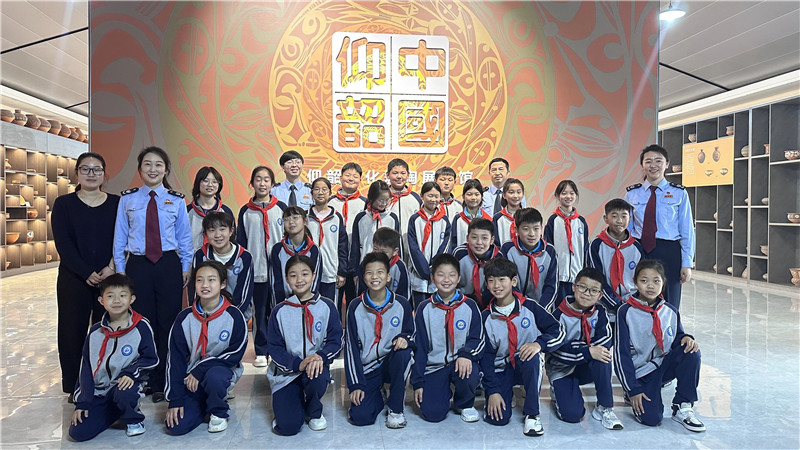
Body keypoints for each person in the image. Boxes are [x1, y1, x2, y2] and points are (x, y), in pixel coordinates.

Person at [113, 146, 193, 403]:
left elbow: (184, 238)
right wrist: (121, 272)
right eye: (147, 164)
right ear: (140, 169)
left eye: (158, 165)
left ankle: (164, 379)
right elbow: (119, 239)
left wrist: (185, 267)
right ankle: (144, 376)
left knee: (168, 322)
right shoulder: (127, 200)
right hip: (138, 265)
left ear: (166, 170)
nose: (153, 169)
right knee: (143, 321)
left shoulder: (176, 200)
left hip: (168, 264)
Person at [52, 152, 119, 402]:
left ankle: (104, 380)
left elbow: (122, 239)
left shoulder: (116, 203)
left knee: (108, 329)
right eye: (86, 169)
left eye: (97, 169)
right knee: (72, 331)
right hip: (73, 277)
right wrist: (85, 272)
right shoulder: (63, 204)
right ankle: (75, 385)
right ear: (77, 173)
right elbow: (63, 243)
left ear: (104, 174)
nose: (91, 174)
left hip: (108, 277)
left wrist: (110, 267)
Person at [614, 260, 705, 432]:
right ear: (635, 282)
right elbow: (621, 355)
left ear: (663, 283)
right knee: (652, 418)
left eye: (656, 281)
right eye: (644, 280)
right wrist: (632, 388)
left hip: (663, 366)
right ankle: (634, 394)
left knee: (691, 352)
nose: (650, 286)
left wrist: (687, 338)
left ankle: (683, 405)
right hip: (642, 373)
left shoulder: (670, 310)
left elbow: (677, 337)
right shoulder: (625, 312)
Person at [480, 257, 564, 436]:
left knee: (532, 357)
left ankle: (532, 414)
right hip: (501, 368)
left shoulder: (530, 307)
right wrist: (493, 391)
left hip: (525, 363)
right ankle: (506, 392)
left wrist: (539, 344)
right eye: (491, 280)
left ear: (514, 281)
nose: (497, 285)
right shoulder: (486, 317)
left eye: (502, 279)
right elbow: (486, 358)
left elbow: (557, 330)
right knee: (497, 419)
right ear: (486, 284)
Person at [69, 274, 158, 441]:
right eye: (110, 296)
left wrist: (131, 373)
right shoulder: (95, 332)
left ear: (132, 299)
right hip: (99, 391)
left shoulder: (141, 326)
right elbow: (86, 368)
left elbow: (150, 358)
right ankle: (115, 411)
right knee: (78, 433)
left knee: (124, 393)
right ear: (101, 301)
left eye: (122, 295)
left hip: (125, 385)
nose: (116, 300)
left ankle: (133, 418)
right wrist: (83, 402)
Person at [164, 261, 248, 435]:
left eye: (211, 280)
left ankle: (218, 410)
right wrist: (175, 399)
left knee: (215, 376)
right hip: (191, 380)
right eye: (200, 280)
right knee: (176, 427)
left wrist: (201, 369)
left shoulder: (234, 316)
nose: (205, 285)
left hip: (220, 373)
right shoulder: (184, 318)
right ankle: (203, 404)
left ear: (222, 284)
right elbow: (175, 360)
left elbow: (235, 353)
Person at [267, 255, 344, 435]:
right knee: (288, 427)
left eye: (304, 274)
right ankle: (292, 403)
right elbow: (274, 348)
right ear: (287, 279)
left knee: (318, 376)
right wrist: (297, 364)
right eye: (293, 275)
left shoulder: (327, 306)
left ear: (313, 276)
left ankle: (313, 409)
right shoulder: (279, 311)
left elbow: (336, 340)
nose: (299, 280)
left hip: (315, 369)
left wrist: (320, 356)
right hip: (287, 373)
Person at [411, 254, 484, 423]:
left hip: (461, 363)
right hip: (434, 367)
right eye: (440, 275)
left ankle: (464, 403)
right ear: (432, 278)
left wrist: (466, 354)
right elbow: (419, 347)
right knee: (432, 414)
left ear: (458, 278)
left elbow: (478, 339)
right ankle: (441, 391)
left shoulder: (470, 306)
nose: (446, 280)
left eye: (451, 275)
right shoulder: (424, 308)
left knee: (469, 372)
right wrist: (418, 382)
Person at [547, 267, 622, 430]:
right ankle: (559, 391)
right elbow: (556, 350)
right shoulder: (558, 315)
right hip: (562, 368)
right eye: (583, 287)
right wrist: (587, 350)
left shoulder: (600, 312)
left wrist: (586, 351)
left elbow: (605, 340)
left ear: (600, 295)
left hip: (587, 365)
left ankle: (605, 407)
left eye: (594, 290)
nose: (587, 293)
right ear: (574, 287)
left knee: (603, 356)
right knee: (572, 415)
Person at [345, 252, 414, 428]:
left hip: (391, 362)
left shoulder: (402, 304)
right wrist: (355, 384)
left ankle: (396, 408)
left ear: (388, 276)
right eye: (369, 273)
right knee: (360, 417)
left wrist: (405, 339)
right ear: (363, 277)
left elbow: (411, 333)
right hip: (368, 368)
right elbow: (351, 348)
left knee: (404, 354)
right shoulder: (355, 307)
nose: (375, 277)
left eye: (380, 272)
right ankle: (378, 395)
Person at [624, 144, 694, 310]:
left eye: (658, 161)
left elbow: (687, 230)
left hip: (669, 250)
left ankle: (669, 327)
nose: (653, 165)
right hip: (640, 249)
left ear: (667, 164)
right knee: (639, 295)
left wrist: (687, 263)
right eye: (648, 161)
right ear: (642, 165)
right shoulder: (632, 194)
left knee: (669, 299)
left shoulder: (679, 193)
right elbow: (628, 228)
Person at [237, 166, 286, 368]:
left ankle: (279, 348)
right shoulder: (245, 211)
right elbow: (241, 242)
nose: (262, 183)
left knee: (279, 309)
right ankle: (261, 350)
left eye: (266, 180)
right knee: (260, 311)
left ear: (272, 184)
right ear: (252, 183)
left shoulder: (281, 208)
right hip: (256, 270)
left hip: (279, 271)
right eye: (258, 179)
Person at [190, 211, 254, 320]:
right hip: (206, 315)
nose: (217, 235)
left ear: (231, 231)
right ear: (205, 234)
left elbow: (244, 294)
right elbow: (195, 289)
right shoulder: (201, 255)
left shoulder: (244, 257)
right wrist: (201, 314)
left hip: (237, 314)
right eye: (212, 230)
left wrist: (231, 316)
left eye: (222, 229)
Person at [588, 198, 643, 322]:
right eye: (614, 216)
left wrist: (633, 304)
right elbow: (597, 280)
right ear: (605, 219)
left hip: (632, 307)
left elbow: (641, 279)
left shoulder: (636, 247)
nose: (619, 221)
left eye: (624, 216)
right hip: (603, 306)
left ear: (630, 218)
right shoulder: (596, 245)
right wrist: (617, 305)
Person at [501, 208, 558, 310]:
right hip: (514, 307)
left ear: (541, 228)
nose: (532, 234)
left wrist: (540, 310)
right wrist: (520, 307)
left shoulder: (549, 251)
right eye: (526, 229)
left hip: (542, 308)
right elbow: (506, 282)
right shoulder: (507, 249)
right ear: (516, 230)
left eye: (536, 228)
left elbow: (551, 286)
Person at [328, 162, 366, 310]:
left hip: (356, 262)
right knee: (333, 304)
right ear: (340, 177)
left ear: (360, 180)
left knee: (355, 304)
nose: (351, 179)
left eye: (355, 176)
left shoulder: (365, 203)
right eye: (348, 175)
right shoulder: (330, 202)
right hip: (334, 261)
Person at [408, 182, 452, 308]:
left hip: (437, 277)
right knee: (420, 309)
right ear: (422, 196)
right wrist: (425, 271)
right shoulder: (415, 219)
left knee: (437, 310)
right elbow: (413, 247)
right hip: (418, 276)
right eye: (430, 196)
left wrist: (434, 269)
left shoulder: (444, 220)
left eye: (436, 196)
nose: (433, 200)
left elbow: (445, 246)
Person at [544, 180, 589, 300]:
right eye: (564, 193)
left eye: (572, 193)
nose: (568, 196)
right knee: (559, 307)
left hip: (577, 276)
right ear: (557, 196)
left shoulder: (581, 221)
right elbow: (548, 248)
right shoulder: (553, 220)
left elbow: (585, 248)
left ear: (576, 195)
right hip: (558, 276)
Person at [270, 206, 323, 307]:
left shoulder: (313, 250)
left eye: (295, 217)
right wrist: (280, 307)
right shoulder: (277, 249)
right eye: (286, 219)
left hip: (308, 305)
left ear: (305, 221)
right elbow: (275, 283)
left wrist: (308, 305)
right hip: (284, 304)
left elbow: (315, 282)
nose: (291, 222)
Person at [308, 177, 348, 305]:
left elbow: (342, 246)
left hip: (330, 273)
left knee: (330, 307)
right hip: (309, 273)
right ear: (311, 193)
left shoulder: (336, 217)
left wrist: (341, 272)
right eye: (317, 189)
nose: (320, 192)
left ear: (330, 193)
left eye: (324, 189)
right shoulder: (305, 216)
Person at [350, 180, 400, 280]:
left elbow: (396, 246)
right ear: (371, 198)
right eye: (380, 200)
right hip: (364, 268)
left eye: (387, 200)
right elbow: (355, 246)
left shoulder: (392, 218)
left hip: (386, 269)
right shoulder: (361, 218)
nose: (384, 203)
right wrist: (355, 272)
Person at [453, 218, 499, 309]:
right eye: (474, 237)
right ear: (467, 238)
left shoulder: (497, 257)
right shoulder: (459, 254)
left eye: (484, 238)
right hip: (461, 301)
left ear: (492, 240)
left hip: (490, 303)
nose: (479, 242)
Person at [186, 166, 234, 253]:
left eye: (214, 182)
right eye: (205, 181)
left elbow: (232, 239)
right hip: (192, 259)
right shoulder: (187, 211)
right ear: (198, 183)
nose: (210, 185)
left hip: (219, 259)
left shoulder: (225, 211)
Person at [386, 158, 422, 257]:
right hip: (387, 247)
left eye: (403, 173)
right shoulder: (382, 197)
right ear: (388, 175)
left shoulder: (416, 198)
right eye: (395, 173)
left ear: (408, 175)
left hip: (410, 246)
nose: (399, 176)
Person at [368, 227, 411, 300]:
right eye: (375, 249)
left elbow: (404, 294)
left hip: (394, 304)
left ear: (395, 251)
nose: (378, 254)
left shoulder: (400, 267)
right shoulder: (367, 264)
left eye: (384, 252)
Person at [450, 178, 492, 252]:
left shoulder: (488, 219)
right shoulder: (458, 219)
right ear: (463, 196)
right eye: (469, 194)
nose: (473, 198)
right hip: (461, 256)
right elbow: (453, 243)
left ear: (482, 196)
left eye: (477, 194)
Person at [493, 178, 525, 247]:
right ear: (504, 195)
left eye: (518, 192)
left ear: (523, 195)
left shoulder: (528, 216)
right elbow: (495, 243)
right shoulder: (497, 218)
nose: (515, 196)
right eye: (511, 192)